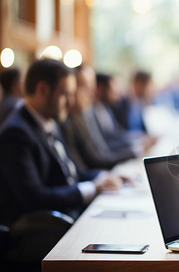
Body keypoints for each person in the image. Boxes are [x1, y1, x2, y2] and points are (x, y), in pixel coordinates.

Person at [0, 58, 124, 226]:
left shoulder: (50, 122)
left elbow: (73, 173)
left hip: (70, 216)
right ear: (42, 90)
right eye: (65, 94)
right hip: (41, 233)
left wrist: (104, 177)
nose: (70, 102)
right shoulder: (16, 133)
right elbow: (34, 198)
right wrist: (92, 188)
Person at [59, 65, 136, 171]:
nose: (93, 92)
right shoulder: (65, 122)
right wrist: (133, 152)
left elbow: (103, 149)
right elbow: (87, 164)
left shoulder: (86, 114)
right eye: (86, 87)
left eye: (92, 87)